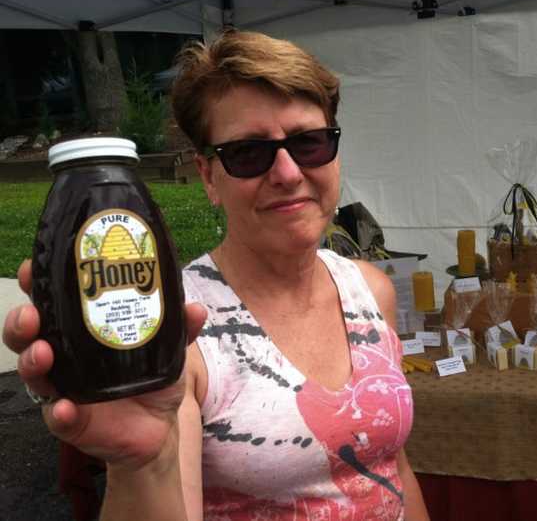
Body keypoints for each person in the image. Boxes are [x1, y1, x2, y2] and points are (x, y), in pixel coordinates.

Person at [2, 30, 430, 521]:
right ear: (209, 177)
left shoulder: (369, 289)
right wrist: (141, 467)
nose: (288, 172)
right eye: (248, 153)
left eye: (309, 143)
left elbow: (392, 464)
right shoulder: (176, 326)